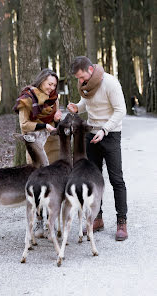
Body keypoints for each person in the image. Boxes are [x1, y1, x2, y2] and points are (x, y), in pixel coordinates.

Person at [67, 56, 128, 241]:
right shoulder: (87, 86)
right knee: (93, 179)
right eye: (77, 78)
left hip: (110, 134)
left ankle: (122, 222)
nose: (79, 81)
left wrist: (104, 130)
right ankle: (97, 218)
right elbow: (87, 102)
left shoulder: (110, 83)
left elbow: (121, 110)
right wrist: (77, 107)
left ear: (90, 70)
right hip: (91, 133)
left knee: (116, 179)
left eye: (80, 77)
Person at [13, 68, 62, 237]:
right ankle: (39, 222)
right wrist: (43, 126)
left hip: (53, 142)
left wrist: (56, 119)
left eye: (54, 85)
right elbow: (24, 125)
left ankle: (52, 223)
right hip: (36, 146)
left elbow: (55, 120)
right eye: (49, 84)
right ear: (41, 81)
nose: (51, 88)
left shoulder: (54, 98)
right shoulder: (26, 99)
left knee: (54, 184)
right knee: (38, 184)